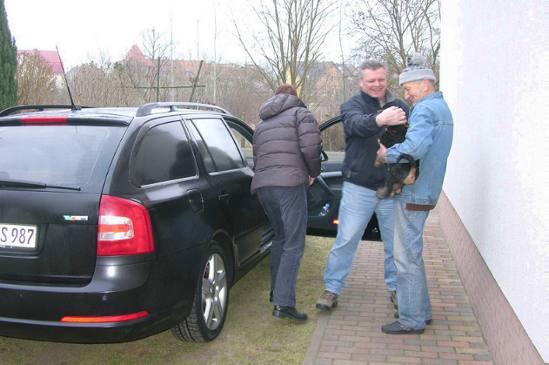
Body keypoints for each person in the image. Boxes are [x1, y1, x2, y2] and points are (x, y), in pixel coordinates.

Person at [316, 61, 408, 311]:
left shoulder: (399, 105)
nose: (377, 84)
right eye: (371, 81)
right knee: (346, 239)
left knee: (394, 243)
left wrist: (396, 148)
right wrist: (380, 119)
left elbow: (409, 139)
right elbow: (355, 125)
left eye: (381, 79)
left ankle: (397, 290)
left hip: (391, 186)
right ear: (361, 83)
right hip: (360, 187)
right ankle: (331, 289)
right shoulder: (352, 106)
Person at [377, 54, 453, 334]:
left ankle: (411, 320)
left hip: (414, 193)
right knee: (412, 254)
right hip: (428, 190)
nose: (406, 94)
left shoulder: (425, 110)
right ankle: (422, 312)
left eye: (409, 88)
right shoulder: (442, 108)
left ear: (424, 83)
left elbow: (414, 148)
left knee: (405, 257)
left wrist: (387, 154)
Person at [251, 84, 321, 322]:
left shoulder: (261, 124)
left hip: (263, 187)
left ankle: (276, 293)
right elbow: (311, 147)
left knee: (280, 238)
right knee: (294, 242)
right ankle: (284, 304)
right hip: (290, 185)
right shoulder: (302, 114)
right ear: (294, 97)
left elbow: (257, 157)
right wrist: (313, 172)